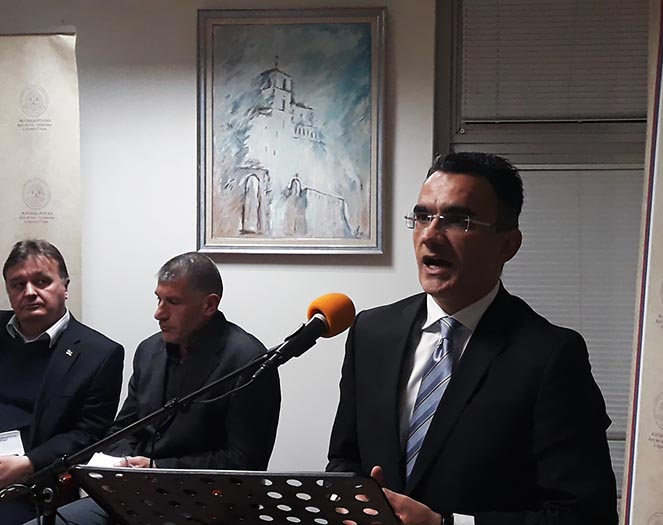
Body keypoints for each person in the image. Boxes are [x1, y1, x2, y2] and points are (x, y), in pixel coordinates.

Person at [327, 153, 618, 525]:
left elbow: (586, 515)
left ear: (507, 245)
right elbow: (345, 460)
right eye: (423, 216)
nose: (430, 235)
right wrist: (350, 501)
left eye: (457, 220)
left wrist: (444, 524)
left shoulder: (551, 356)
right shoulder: (371, 332)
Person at [56, 251, 281, 524]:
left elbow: (243, 462)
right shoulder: (149, 351)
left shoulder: (248, 361)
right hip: (134, 494)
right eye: (158, 299)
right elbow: (123, 429)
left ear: (209, 305)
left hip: (206, 506)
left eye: (173, 302)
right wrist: (120, 464)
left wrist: (158, 469)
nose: (158, 313)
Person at [0, 240, 124, 524]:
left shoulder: (99, 353)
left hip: (34, 483)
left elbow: (88, 434)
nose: (29, 292)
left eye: (42, 281)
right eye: (18, 284)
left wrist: (28, 464)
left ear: (65, 287)